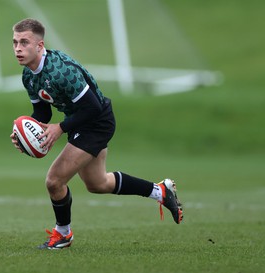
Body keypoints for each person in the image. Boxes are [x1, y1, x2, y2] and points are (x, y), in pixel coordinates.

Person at [10, 18, 183, 250]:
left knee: (54, 180)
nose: (18, 48)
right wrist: (26, 134)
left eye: (24, 42)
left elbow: (93, 108)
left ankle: (63, 234)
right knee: (98, 183)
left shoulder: (61, 71)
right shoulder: (28, 75)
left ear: (40, 46)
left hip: (96, 121)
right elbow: (41, 112)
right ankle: (160, 191)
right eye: (15, 42)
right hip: (80, 121)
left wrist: (60, 128)